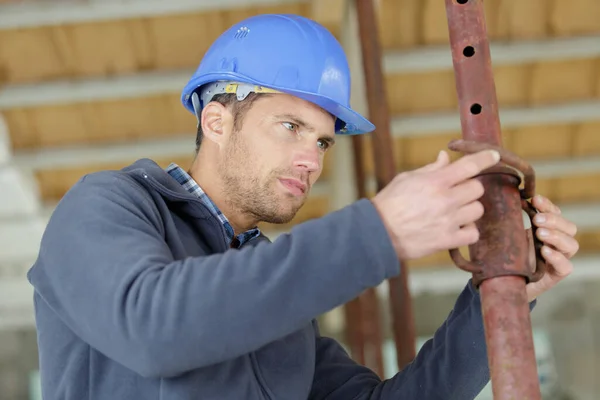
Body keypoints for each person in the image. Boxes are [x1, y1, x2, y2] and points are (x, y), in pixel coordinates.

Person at [27, 14, 579, 400]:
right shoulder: (109, 205)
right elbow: (150, 328)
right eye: (290, 127)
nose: (311, 159)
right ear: (215, 121)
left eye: (321, 141)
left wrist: (497, 297)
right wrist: (379, 231)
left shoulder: (282, 309)